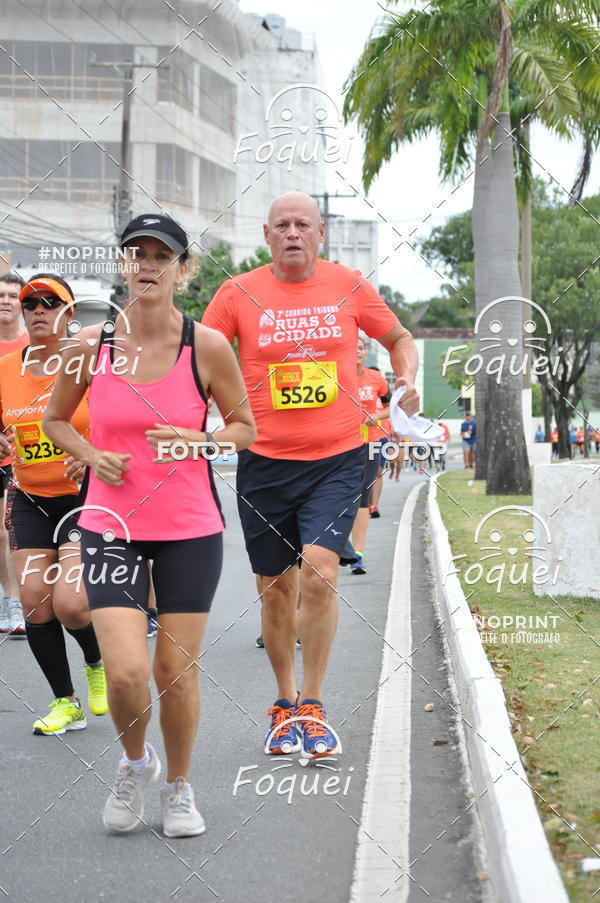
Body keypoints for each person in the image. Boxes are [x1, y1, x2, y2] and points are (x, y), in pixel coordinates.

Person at [44, 213, 255, 838]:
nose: (146, 265)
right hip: (109, 527)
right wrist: (89, 456)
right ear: (122, 265)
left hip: (189, 530)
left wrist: (198, 439)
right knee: (129, 671)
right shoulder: (91, 345)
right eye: (135, 253)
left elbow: (244, 429)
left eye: (161, 256)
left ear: (183, 271)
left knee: (175, 672)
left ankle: (180, 787)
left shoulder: (207, 346)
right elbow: (57, 421)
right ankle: (136, 764)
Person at [202, 191, 418, 758]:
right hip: (265, 463)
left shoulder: (348, 283)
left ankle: (315, 706)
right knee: (276, 593)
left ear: (320, 233)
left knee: (320, 573)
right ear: (266, 235)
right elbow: (198, 356)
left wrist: (407, 379)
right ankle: (283, 702)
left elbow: (398, 337)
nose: (293, 232)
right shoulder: (237, 291)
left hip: (338, 457)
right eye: (282, 225)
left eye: (303, 224)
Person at [0, 273, 108, 734]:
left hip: (82, 500)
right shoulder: (6, 369)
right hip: (28, 497)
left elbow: (120, 419)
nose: (38, 309)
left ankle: (95, 659)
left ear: (69, 314)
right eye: (30, 303)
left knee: (72, 605)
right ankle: (66, 702)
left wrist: (91, 454)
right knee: (35, 604)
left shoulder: (87, 362)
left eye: (50, 302)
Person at [0, 272, 28, 635]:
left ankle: (14, 599)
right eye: (0, 294)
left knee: (9, 532)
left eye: (12, 295)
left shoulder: (32, 346)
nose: (5, 300)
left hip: (24, 456)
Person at [350, 339, 389, 574]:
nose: (357, 351)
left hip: (371, 442)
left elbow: (390, 406)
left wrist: (378, 415)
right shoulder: (335, 375)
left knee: (362, 497)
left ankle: (358, 554)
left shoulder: (377, 378)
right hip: (341, 444)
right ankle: (339, 545)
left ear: (366, 353)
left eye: (361, 348)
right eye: (352, 347)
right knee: (344, 497)